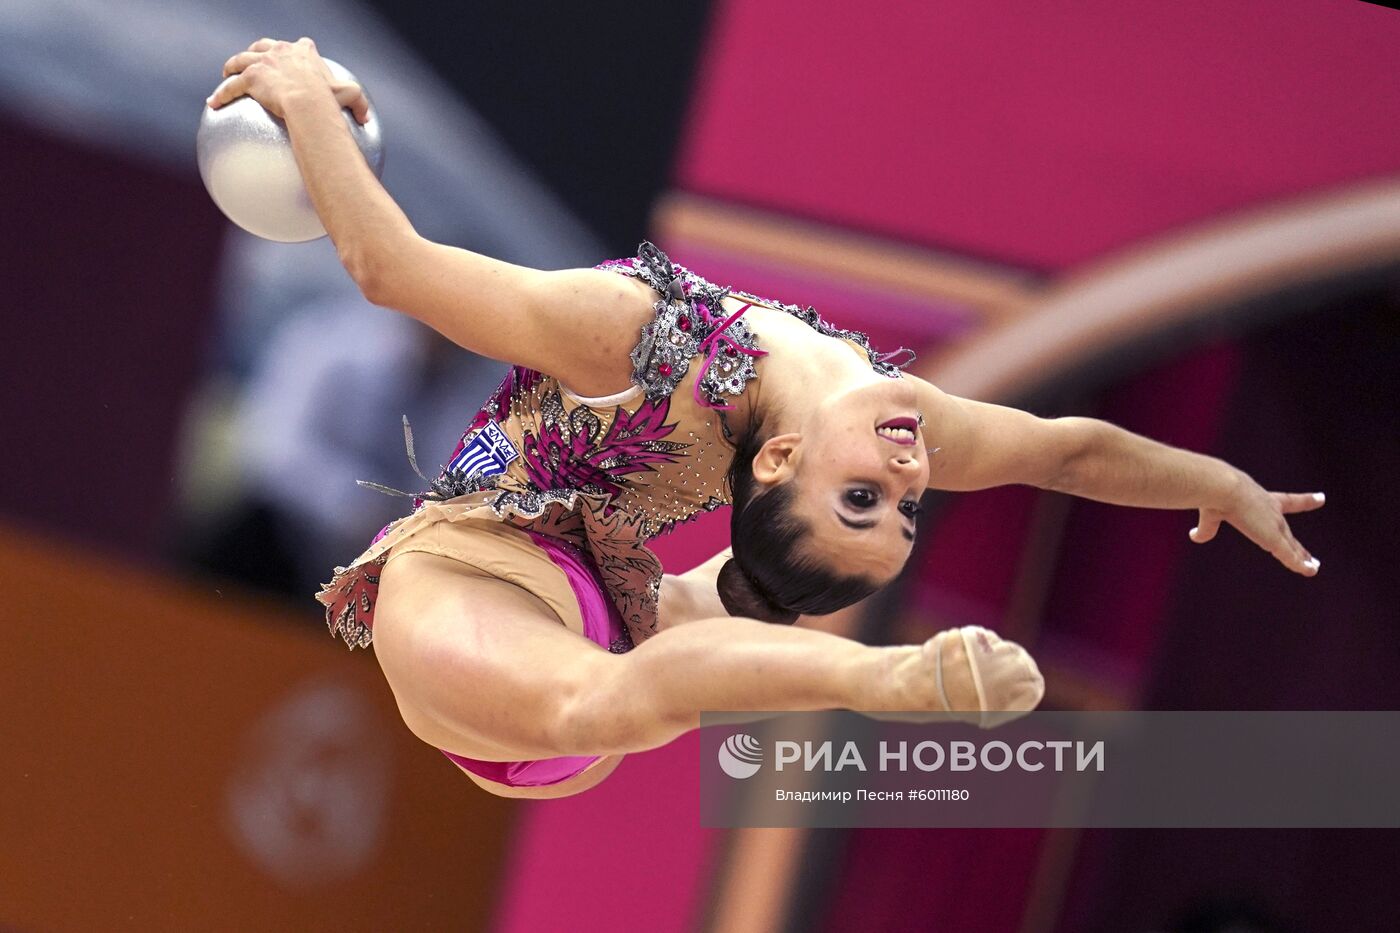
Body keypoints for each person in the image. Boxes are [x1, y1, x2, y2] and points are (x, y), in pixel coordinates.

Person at [208, 38, 1326, 799]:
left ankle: (861, 681)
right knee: (633, 664)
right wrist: (1214, 482)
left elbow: (389, 268)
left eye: (861, 500)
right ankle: (757, 642)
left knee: (603, 702)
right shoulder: (903, 416)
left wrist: (303, 101)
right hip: (618, 604)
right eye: (901, 506)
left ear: (782, 458)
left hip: (482, 603)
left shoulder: (631, 339)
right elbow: (1068, 449)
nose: (903, 469)